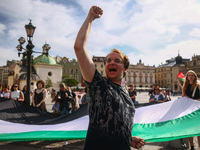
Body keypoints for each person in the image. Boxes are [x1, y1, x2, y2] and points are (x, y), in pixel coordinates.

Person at [74, 6, 144, 150]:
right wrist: (90, 18)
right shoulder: (99, 84)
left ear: (125, 69)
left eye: (117, 61)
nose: (111, 62)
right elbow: (79, 47)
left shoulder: (126, 93)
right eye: (109, 60)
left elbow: (117, 123)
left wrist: (129, 138)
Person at [182, 70, 200, 150]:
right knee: (189, 129)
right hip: (188, 110)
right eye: (189, 75)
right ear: (187, 77)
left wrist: (193, 101)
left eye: (192, 75)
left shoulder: (198, 85)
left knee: (198, 130)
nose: (190, 77)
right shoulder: (185, 86)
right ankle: (192, 146)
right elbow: (183, 97)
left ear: (195, 76)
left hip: (197, 110)